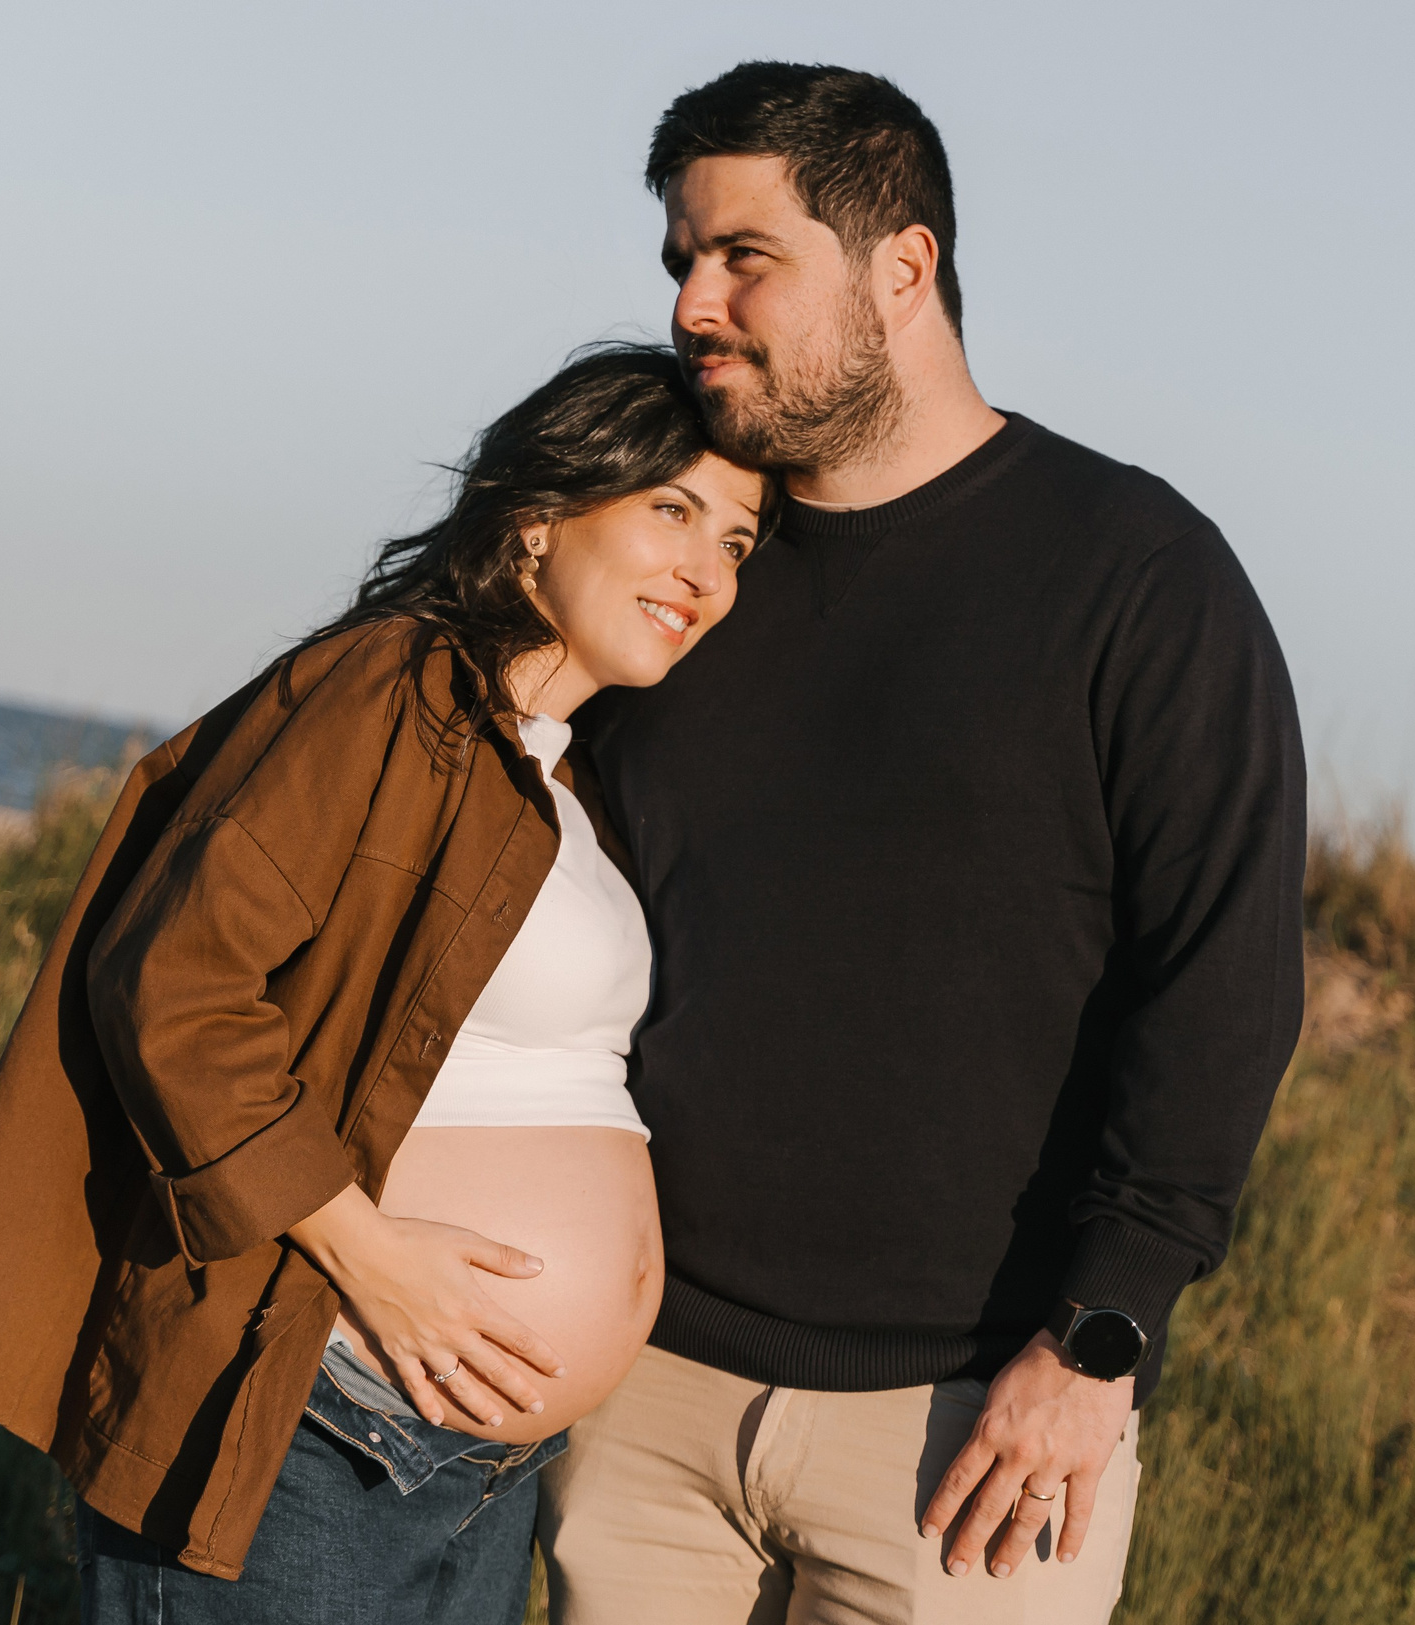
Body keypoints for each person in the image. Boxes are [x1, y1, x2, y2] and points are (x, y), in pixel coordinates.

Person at [538, 63, 1307, 1625]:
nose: (692, 305)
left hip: (971, 1431)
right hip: (639, 1397)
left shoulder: (1138, 577)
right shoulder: (685, 566)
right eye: (681, 259)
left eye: (744, 256)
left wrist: (1097, 1338)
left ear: (902, 267)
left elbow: (1221, 982)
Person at [0, 345, 769, 1624]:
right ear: (537, 517)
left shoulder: (567, 786)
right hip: (323, 1422)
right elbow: (173, 981)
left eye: (736, 541)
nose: (706, 571)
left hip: (484, 1470)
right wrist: (371, 1252)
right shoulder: (394, 686)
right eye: (672, 509)